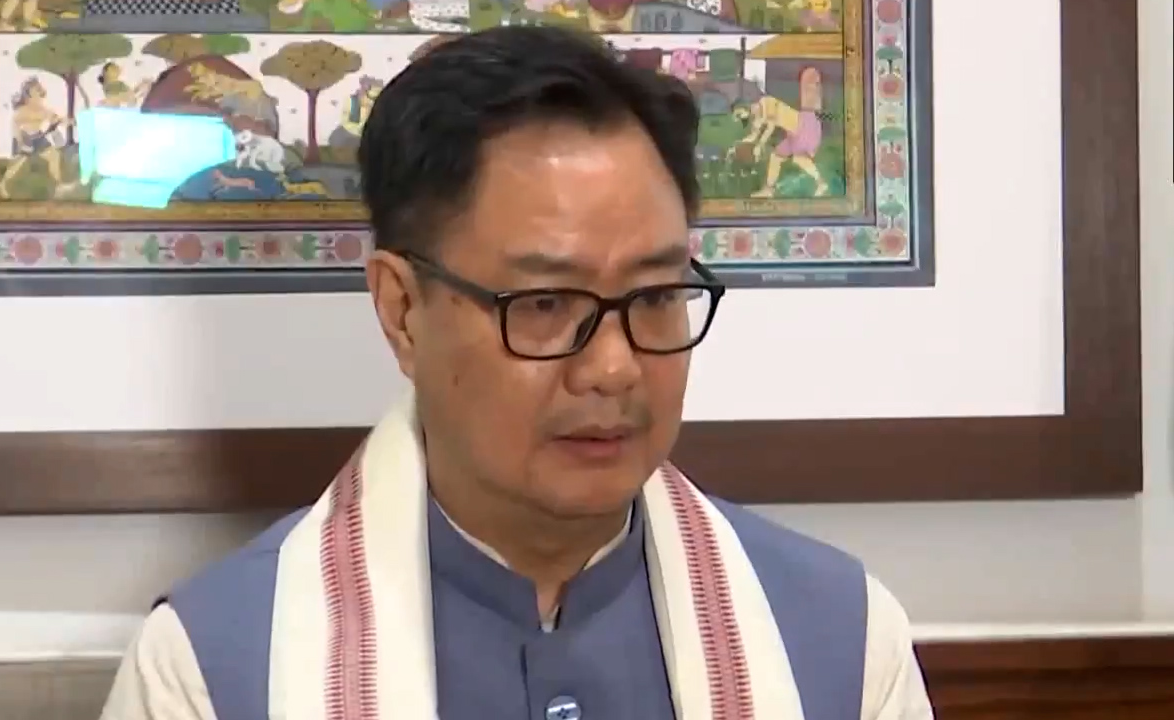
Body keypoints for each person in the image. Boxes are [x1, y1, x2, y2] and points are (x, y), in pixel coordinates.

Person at [98, 26, 933, 720]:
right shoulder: (208, 674)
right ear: (402, 311)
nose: (614, 368)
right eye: (543, 304)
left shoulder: (842, 646)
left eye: (655, 297)